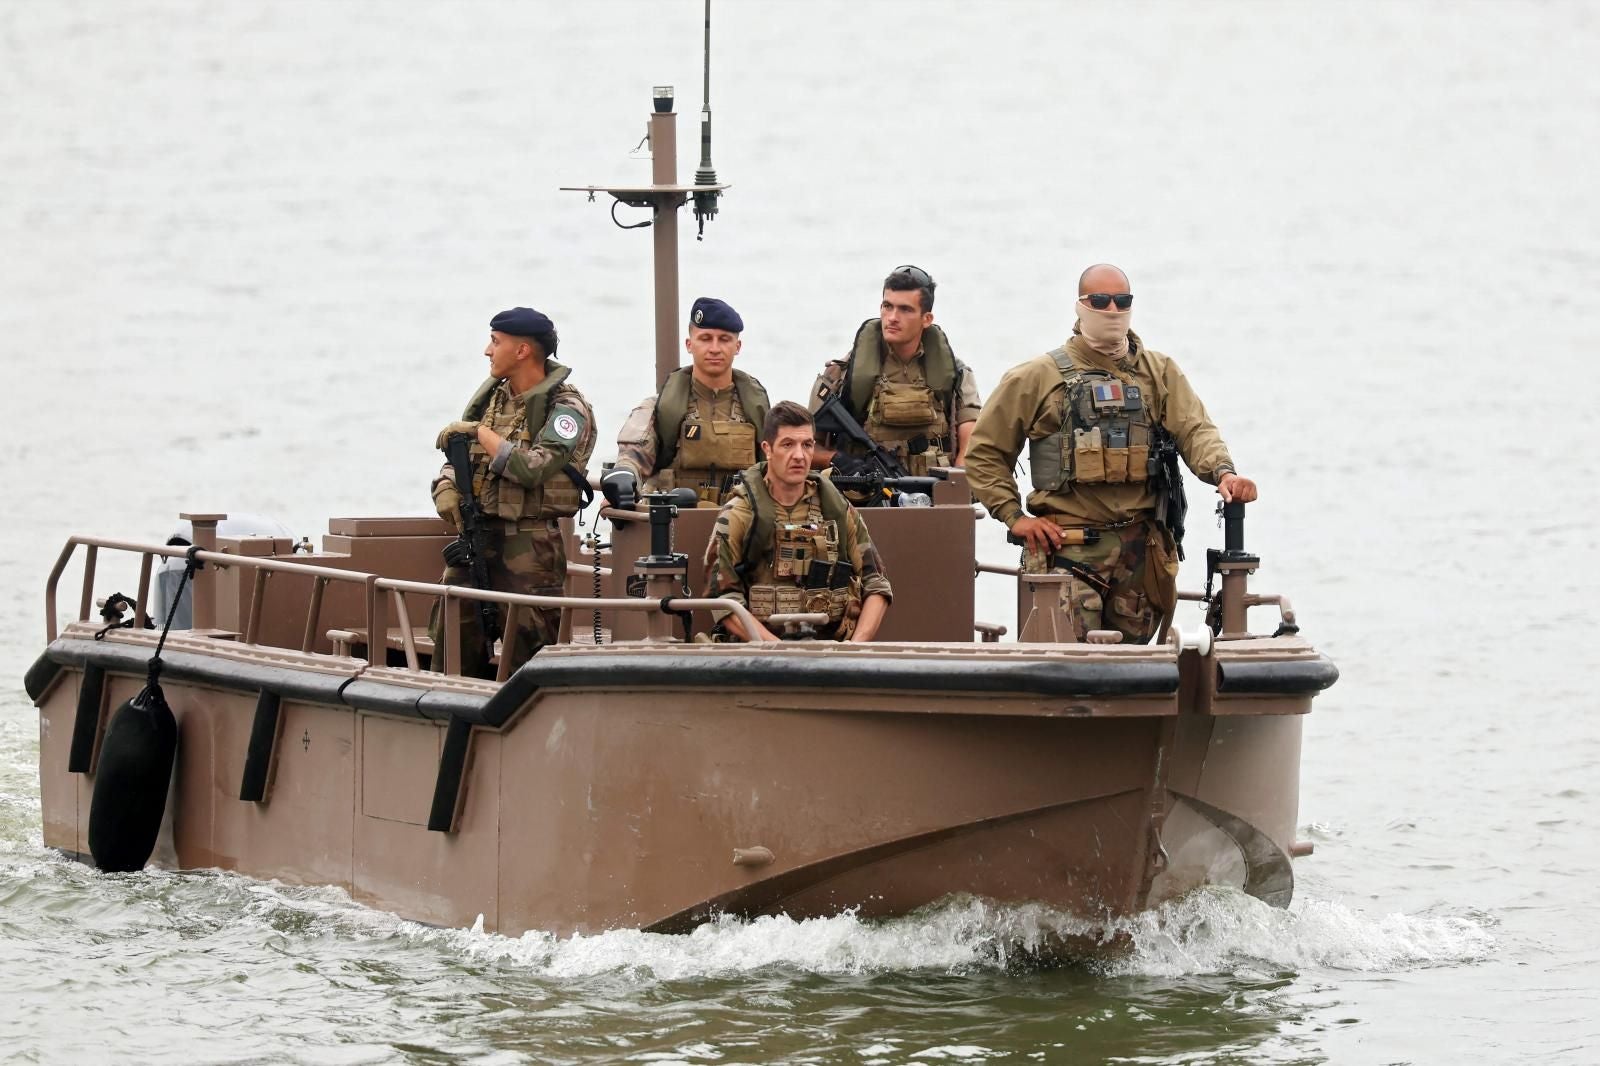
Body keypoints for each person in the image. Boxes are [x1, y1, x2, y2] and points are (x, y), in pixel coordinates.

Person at [963, 263, 1258, 644]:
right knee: (1071, 664)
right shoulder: (1036, 378)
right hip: (1069, 550)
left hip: (1140, 554)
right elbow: (984, 454)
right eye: (1100, 301)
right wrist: (1014, 517)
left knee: (1133, 668)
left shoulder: (1158, 372)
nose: (1113, 311)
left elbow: (1195, 428)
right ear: (1080, 307)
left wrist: (1223, 473)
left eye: (1123, 301)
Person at [429, 306, 596, 677]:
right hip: (476, 543)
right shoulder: (491, 401)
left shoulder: (567, 408)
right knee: (453, 646)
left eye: (495, 341)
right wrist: (445, 487)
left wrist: (478, 434)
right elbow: (458, 461)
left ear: (522, 350)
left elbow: (532, 468)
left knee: (529, 659)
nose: (488, 351)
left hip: (530, 552)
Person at [704, 401, 893, 642]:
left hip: (832, 653)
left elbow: (876, 584)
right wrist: (777, 651)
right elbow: (723, 599)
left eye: (807, 445)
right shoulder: (740, 513)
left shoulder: (836, 509)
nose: (799, 456)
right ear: (768, 449)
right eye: (787, 444)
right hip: (760, 658)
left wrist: (854, 650)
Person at [808, 265, 982, 477]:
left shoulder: (955, 375)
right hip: (862, 499)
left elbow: (971, 445)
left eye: (905, 309)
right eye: (887, 306)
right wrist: (837, 460)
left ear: (926, 319)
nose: (892, 317)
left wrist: (956, 486)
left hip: (934, 497)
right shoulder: (841, 375)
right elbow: (805, 447)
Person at [603, 297, 770, 509]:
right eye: (706, 338)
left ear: (737, 347)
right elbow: (634, 452)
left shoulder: (755, 409)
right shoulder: (660, 408)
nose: (715, 348)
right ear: (689, 345)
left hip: (739, 527)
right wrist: (625, 475)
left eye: (724, 339)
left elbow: (776, 464)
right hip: (673, 523)